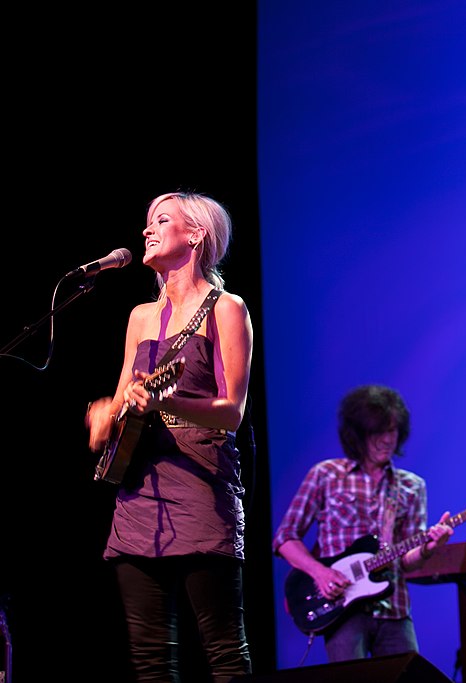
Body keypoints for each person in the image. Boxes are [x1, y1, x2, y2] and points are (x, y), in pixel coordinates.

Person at [85, 191, 254, 681]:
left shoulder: (226, 308)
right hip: (139, 493)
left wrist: (167, 402)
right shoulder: (140, 317)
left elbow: (232, 413)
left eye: (160, 220)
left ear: (195, 234)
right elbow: (121, 401)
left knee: (224, 651)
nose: (147, 230)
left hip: (201, 487)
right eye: (147, 222)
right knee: (150, 660)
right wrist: (103, 418)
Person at [272, 384, 453, 663]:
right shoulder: (326, 475)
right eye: (376, 432)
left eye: (391, 431)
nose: (386, 440)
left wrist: (429, 548)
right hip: (344, 610)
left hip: (394, 608)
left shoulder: (412, 486)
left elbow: (407, 561)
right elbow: (285, 538)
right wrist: (320, 573)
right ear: (358, 435)